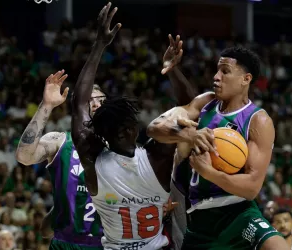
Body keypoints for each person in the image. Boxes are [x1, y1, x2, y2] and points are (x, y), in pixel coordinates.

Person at [71, 2, 195, 250]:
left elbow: (79, 103)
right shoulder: (156, 158)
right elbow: (190, 106)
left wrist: (99, 45)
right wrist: (173, 70)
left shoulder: (91, 159)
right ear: (129, 130)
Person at [147, 46, 289, 249]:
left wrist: (209, 172)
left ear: (245, 79)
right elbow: (154, 128)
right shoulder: (205, 104)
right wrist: (189, 134)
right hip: (199, 219)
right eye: (216, 70)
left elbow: (251, 188)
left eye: (225, 71)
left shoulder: (258, 120)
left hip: (237, 212)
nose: (216, 77)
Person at [16, 71, 105, 249]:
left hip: (105, 243)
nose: (96, 104)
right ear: (78, 106)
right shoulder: (60, 140)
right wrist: (46, 105)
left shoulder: (118, 147)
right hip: (65, 243)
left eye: (101, 100)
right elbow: (24, 156)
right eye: (89, 100)